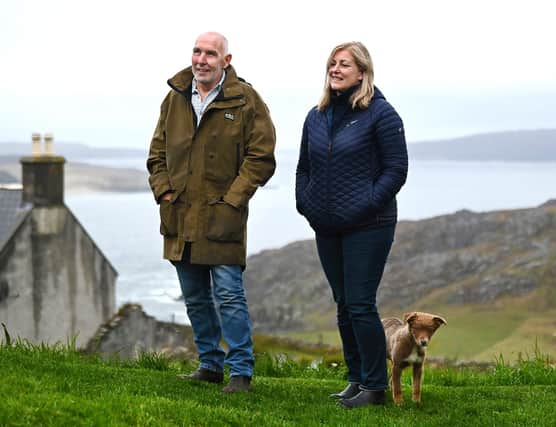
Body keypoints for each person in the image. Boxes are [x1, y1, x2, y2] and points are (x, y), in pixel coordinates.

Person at [147, 32, 276, 393]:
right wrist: (165, 192)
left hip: (223, 217)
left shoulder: (246, 99)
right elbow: (156, 155)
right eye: (197, 52)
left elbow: (262, 157)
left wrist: (234, 199)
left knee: (229, 295)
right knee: (195, 296)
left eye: (211, 54)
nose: (201, 60)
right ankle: (209, 363)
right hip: (179, 215)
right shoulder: (173, 99)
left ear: (226, 60)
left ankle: (241, 373)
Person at [295, 41, 408, 408]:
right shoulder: (316, 115)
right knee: (343, 304)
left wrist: (366, 204)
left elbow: (396, 170)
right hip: (327, 226)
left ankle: (375, 388)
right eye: (332, 63)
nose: (335, 69)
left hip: (369, 225)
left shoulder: (381, 114)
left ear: (363, 72)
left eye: (344, 64)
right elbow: (304, 168)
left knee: (360, 303)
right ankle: (356, 379)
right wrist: (305, 202)